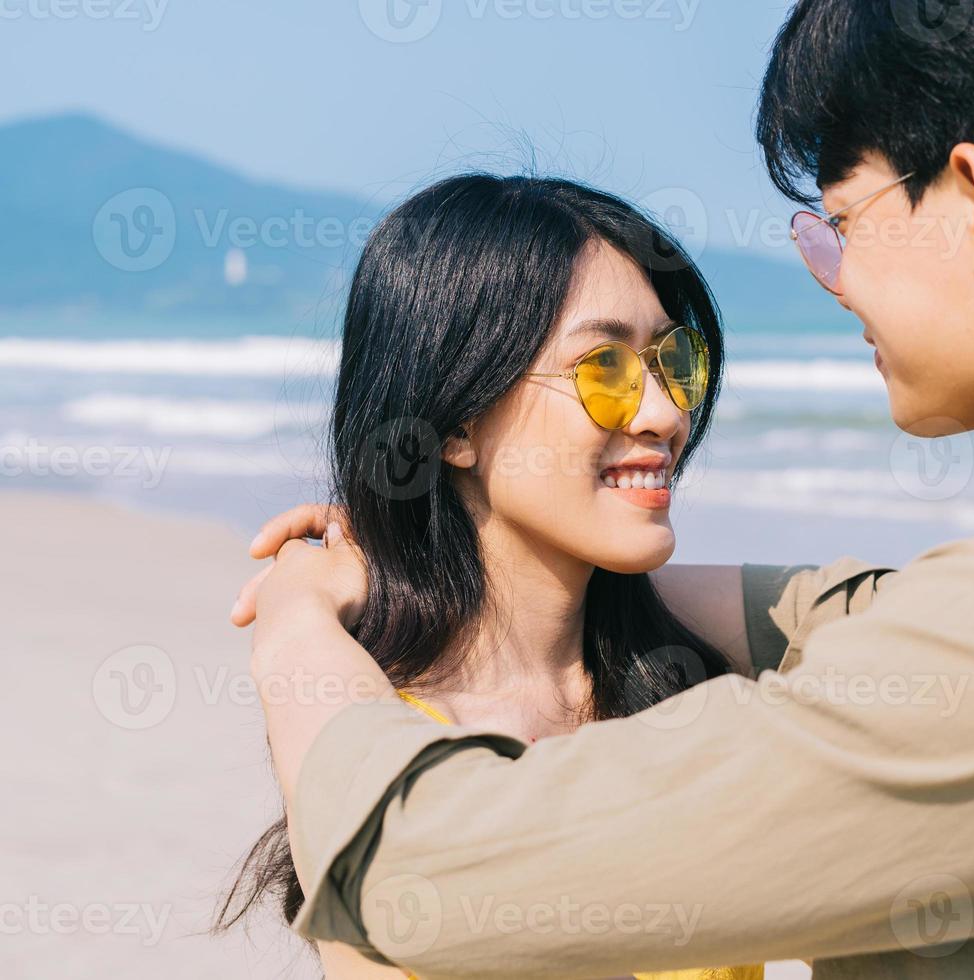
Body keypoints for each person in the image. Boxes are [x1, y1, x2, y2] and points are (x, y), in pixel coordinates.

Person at [235, 1, 974, 975]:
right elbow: (889, 618)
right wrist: (552, 579)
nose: (836, 279)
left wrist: (296, 613)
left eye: (839, 222)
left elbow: (417, 869)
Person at [217, 172, 763, 980]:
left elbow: (900, 620)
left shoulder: (701, 701)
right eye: (604, 366)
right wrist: (299, 609)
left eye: (673, 360)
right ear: (456, 424)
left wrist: (313, 591)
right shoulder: (374, 730)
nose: (665, 413)